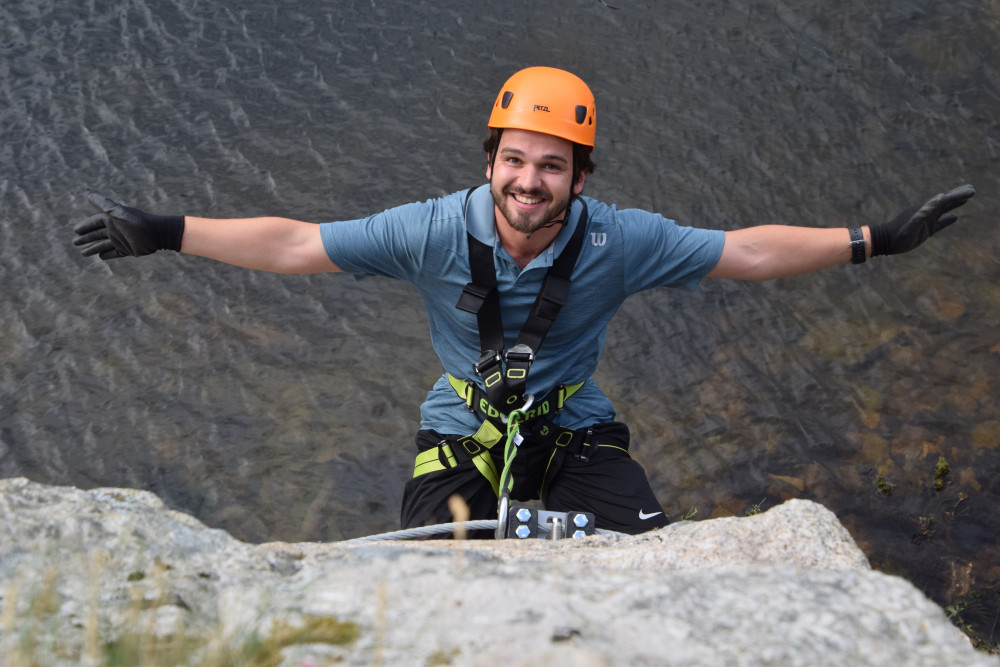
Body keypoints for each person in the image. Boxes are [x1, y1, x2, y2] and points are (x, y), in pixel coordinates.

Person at [74, 66, 975, 538]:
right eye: (514, 158)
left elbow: (742, 251)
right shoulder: (429, 230)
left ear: (580, 177)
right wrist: (167, 229)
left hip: (575, 425)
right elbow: (298, 242)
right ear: (490, 161)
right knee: (439, 572)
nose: (528, 181)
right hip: (460, 429)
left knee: (647, 549)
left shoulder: (622, 241)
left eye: (551, 165)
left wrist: (876, 241)